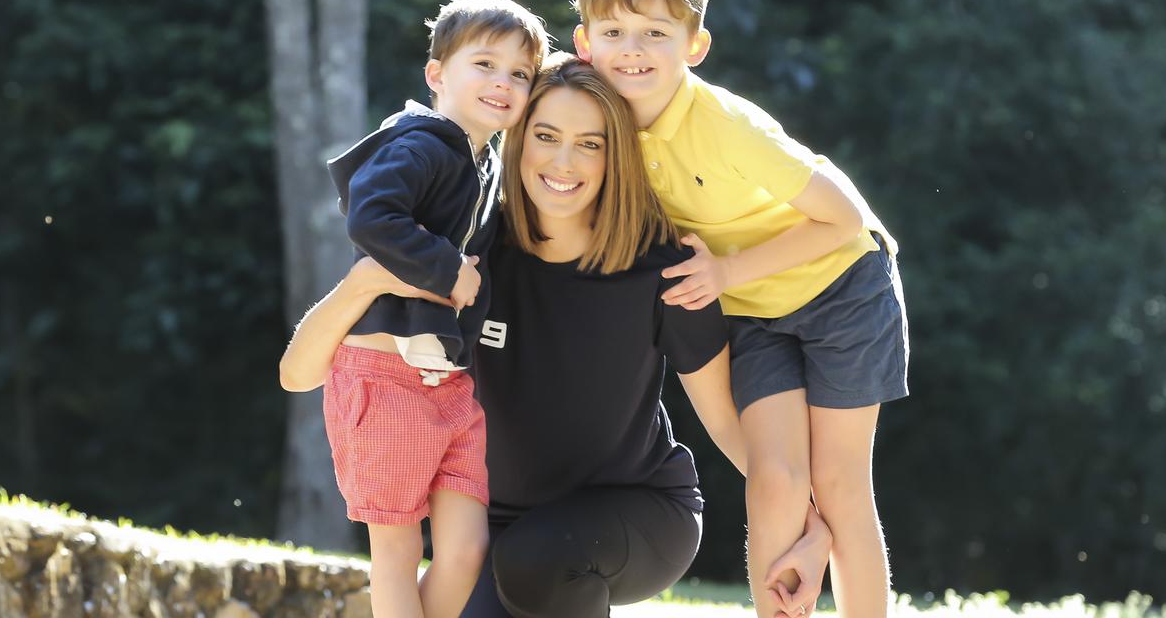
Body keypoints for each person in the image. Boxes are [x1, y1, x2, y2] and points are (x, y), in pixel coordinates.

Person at [280, 53, 832, 618]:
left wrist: (813, 523)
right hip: (498, 530)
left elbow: (725, 420)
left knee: (537, 559)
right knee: (518, 559)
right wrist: (362, 284)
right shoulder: (467, 255)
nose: (564, 161)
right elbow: (299, 374)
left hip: (636, 512)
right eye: (545, 135)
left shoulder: (664, 271)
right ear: (518, 138)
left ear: (615, 155)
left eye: (590, 143)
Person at [572, 0, 910, 618]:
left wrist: (724, 271)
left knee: (840, 481)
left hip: (845, 287)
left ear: (695, 46)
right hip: (755, 312)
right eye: (613, 33)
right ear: (584, 44)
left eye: (655, 34)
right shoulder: (597, 122)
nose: (631, 49)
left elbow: (843, 219)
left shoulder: (727, 125)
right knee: (775, 482)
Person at [312, 0, 548, 618]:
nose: (503, 82)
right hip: (383, 376)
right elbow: (372, 216)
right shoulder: (419, 145)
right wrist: (446, 271)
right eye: (485, 64)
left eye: (519, 74)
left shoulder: (486, 161)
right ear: (437, 74)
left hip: (447, 384)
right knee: (395, 552)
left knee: (467, 548)